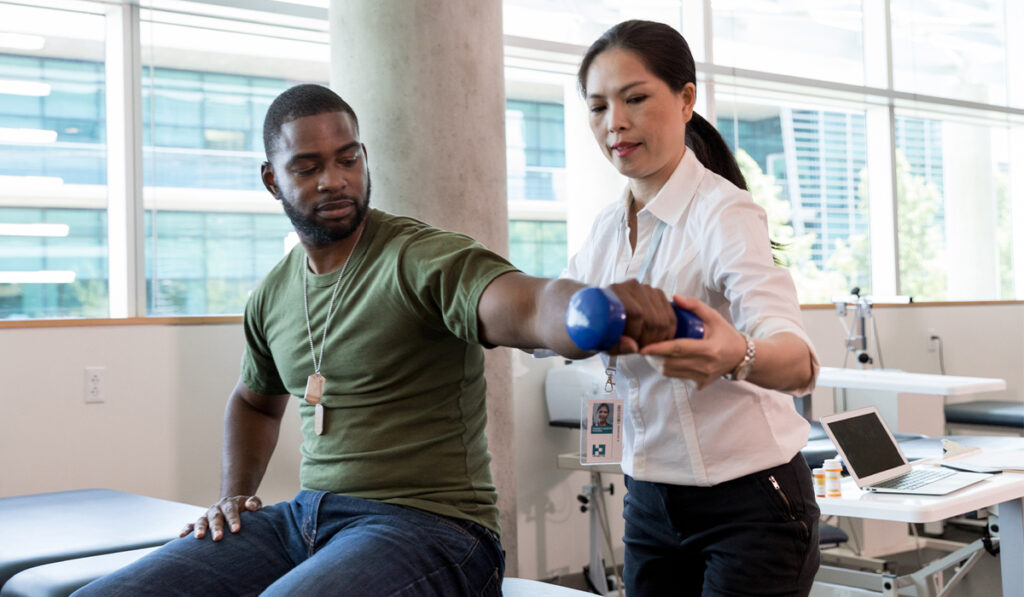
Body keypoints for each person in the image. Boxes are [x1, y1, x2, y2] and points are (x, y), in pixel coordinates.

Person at [73, 84, 676, 597]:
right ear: (270, 179)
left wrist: (585, 310)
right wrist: (233, 498)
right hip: (305, 518)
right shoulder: (273, 294)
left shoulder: (421, 257)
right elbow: (254, 400)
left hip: (435, 528)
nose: (334, 180)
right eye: (307, 167)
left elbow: (522, 302)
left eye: (348, 159)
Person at [569, 20, 821, 596]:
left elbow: (800, 361)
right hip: (649, 501)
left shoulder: (724, 213)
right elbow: (547, 317)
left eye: (635, 99)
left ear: (686, 100)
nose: (616, 123)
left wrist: (738, 354)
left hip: (750, 505)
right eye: (598, 106)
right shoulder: (607, 229)